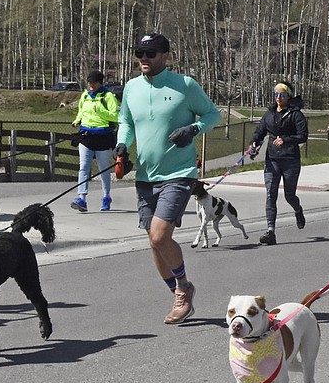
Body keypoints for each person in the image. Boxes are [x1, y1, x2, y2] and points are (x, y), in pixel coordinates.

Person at [115, 33, 221, 325]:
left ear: (166, 56)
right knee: (154, 242)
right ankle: (177, 290)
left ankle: (183, 289)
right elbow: (126, 121)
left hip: (179, 174)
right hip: (146, 175)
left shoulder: (185, 85)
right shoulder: (132, 88)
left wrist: (193, 129)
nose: (144, 59)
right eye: (140, 53)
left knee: (161, 235)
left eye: (150, 53)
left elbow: (213, 114)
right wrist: (123, 143)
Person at [249, 80, 309, 246]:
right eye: (275, 94)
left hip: (290, 160)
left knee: (289, 195)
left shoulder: (296, 114)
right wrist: (254, 144)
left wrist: (286, 140)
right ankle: (270, 231)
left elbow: (303, 135)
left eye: (281, 94)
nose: (278, 97)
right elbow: (259, 132)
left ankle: (298, 210)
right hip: (272, 160)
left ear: (288, 96)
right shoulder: (269, 114)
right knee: (271, 194)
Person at [70, 70, 120, 213]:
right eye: (89, 82)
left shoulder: (108, 96)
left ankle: (106, 196)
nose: (91, 85)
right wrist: (77, 120)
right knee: (83, 166)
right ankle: (82, 198)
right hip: (86, 136)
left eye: (94, 82)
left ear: (100, 82)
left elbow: (115, 117)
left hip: (103, 137)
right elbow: (81, 111)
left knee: (103, 168)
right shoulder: (85, 95)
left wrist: (99, 111)